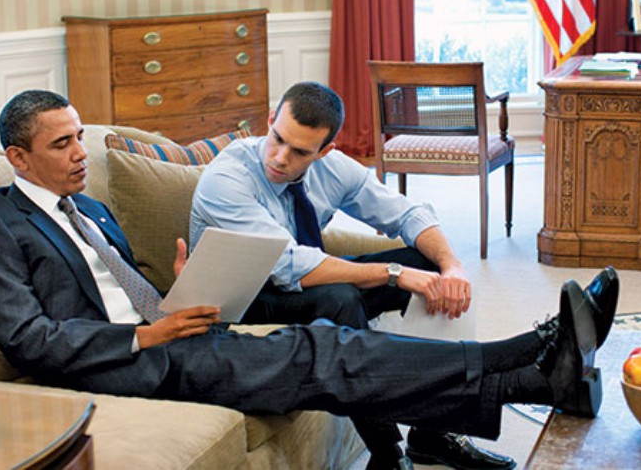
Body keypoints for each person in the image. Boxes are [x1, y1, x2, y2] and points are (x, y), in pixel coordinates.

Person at [0, 90, 619, 470]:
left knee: (331, 349)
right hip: (120, 365)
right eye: (62, 145)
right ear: (18, 157)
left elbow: (127, 292)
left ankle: (536, 373)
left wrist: (175, 296)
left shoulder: (94, 210)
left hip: (172, 336)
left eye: (80, 137)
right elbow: (30, 337)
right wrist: (145, 336)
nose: (80, 153)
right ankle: (532, 356)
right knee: (326, 340)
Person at [189, 82, 502, 468]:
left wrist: (452, 265)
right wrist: (392, 273)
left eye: (300, 151)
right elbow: (291, 266)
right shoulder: (227, 180)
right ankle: (388, 453)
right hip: (241, 301)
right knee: (340, 299)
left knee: (428, 264)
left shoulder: (333, 169)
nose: (281, 158)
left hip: (300, 287)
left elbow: (407, 214)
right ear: (271, 120)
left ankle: (434, 434)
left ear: (325, 151)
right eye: (277, 138)